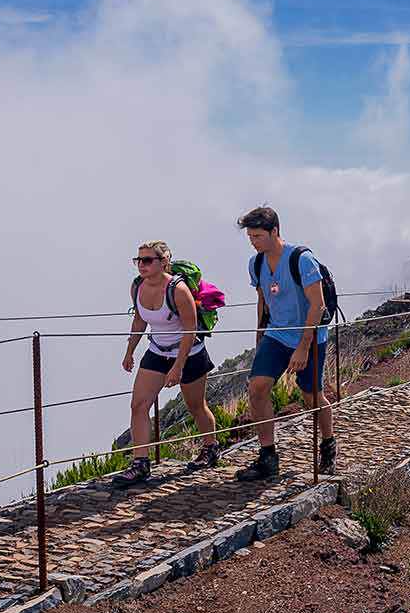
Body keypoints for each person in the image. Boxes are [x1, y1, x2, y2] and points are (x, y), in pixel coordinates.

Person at [235, 205, 335, 481]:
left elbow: (318, 304)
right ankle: (268, 456)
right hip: (276, 335)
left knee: (311, 397)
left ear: (274, 231)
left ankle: (328, 446)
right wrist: (259, 336)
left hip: (309, 335)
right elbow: (263, 300)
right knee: (257, 388)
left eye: (257, 236)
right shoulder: (256, 263)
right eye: (250, 237)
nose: (253, 242)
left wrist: (303, 346)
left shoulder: (302, 260)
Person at [118, 241, 221, 487]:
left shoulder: (178, 289)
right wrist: (129, 352)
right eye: (138, 260)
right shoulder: (137, 287)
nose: (141, 265)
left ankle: (210, 447)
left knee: (195, 405)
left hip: (189, 353)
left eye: (147, 260)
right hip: (156, 352)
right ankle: (140, 463)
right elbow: (140, 322)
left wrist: (178, 367)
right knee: (138, 405)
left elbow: (190, 329)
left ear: (163, 262)